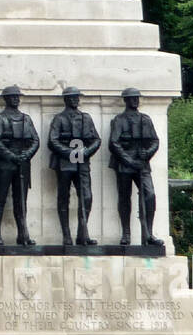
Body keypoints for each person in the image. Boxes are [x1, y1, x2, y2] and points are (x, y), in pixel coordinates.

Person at [108, 88, 164, 246]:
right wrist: (128, 160)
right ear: (125, 100)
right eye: (132, 98)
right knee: (124, 197)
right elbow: (114, 143)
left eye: (136, 98)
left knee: (150, 195)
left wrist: (147, 153)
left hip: (143, 163)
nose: (135, 100)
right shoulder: (119, 120)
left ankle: (149, 233)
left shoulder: (145, 119)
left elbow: (155, 141)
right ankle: (126, 233)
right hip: (125, 164)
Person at [48, 86, 101, 246]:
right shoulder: (59, 119)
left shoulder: (86, 118)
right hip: (65, 163)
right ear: (65, 100)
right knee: (64, 198)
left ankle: (82, 234)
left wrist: (85, 152)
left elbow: (96, 140)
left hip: (82, 162)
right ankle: (66, 235)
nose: (75, 100)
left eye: (77, 97)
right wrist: (70, 153)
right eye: (71, 97)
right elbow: (53, 140)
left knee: (86, 197)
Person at [0, 86, 39, 246]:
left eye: (17, 96)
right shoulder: (0, 118)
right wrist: (11, 156)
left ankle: (23, 233)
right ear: (6, 99)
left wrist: (26, 154)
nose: (16, 99)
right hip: (5, 162)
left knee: (21, 199)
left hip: (23, 162)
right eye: (12, 96)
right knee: (0, 198)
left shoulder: (26, 119)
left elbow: (35, 140)